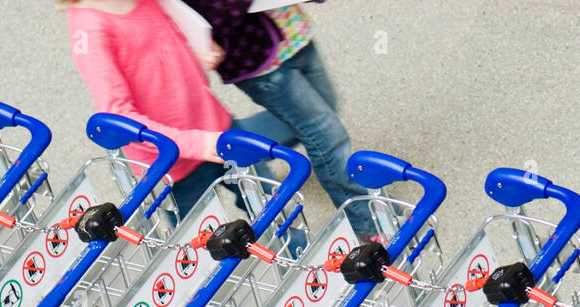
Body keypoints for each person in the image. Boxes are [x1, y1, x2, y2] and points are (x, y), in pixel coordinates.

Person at [62, 0, 293, 218]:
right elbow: (119, 116)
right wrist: (196, 143)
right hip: (168, 163)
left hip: (217, 127)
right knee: (197, 249)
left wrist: (197, 50)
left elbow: (165, 46)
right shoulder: (90, 29)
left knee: (278, 217)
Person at [181, 1, 376, 238]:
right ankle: (364, 223)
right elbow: (216, 13)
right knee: (325, 135)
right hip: (259, 61)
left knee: (321, 109)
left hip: (293, 35)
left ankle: (237, 145)